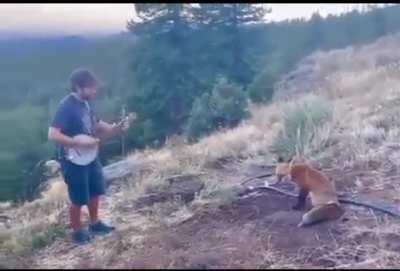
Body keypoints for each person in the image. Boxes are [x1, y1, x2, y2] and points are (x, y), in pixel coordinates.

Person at [48, 68, 127, 245]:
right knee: (78, 198)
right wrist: (79, 143)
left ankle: (95, 224)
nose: (94, 91)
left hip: (90, 157)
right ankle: (77, 233)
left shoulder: (86, 103)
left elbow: (96, 123)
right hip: (72, 160)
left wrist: (114, 128)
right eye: (91, 88)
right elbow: (53, 134)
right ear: (78, 87)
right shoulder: (66, 105)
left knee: (95, 192)